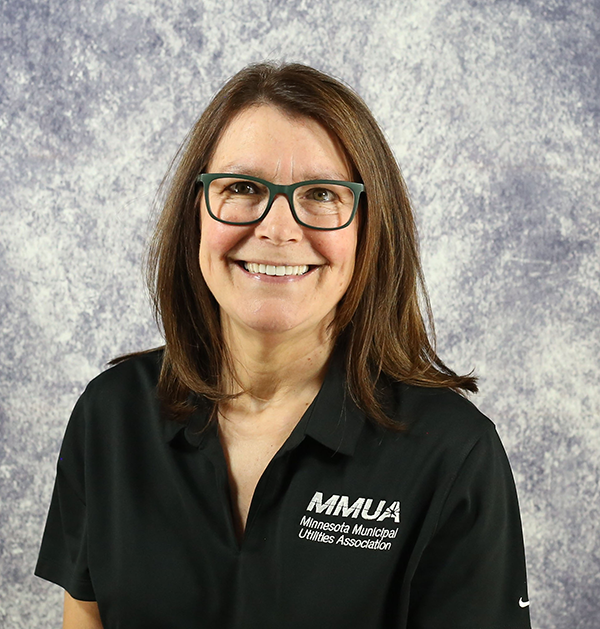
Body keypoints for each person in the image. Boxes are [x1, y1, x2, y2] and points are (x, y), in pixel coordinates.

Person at [35, 62, 531, 629]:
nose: (277, 228)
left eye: (321, 193)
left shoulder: (454, 454)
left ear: (370, 228)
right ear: (196, 210)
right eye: (243, 187)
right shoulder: (111, 416)